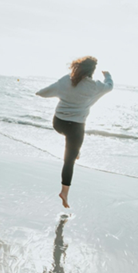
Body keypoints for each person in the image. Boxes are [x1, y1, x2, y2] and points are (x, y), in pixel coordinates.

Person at [35, 56, 113, 208]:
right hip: (76, 127)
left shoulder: (66, 80)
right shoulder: (95, 86)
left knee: (71, 142)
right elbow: (109, 86)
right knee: (69, 160)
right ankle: (64, 192)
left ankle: (75, 149)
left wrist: (38, 92)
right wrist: (107, 75)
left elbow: (46, 91)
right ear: (92, 71)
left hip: (58, 123)